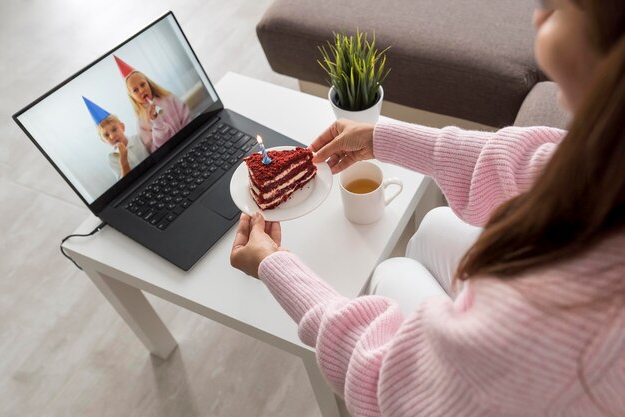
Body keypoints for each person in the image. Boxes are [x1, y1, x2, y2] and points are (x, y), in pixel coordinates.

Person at [231, 1, 625, 416]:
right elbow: (535, 163)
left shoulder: (551, 336)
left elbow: (389, 383)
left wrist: (276, 268)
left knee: (390, 271)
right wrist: (380, 139)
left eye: (557, 4)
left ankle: (438, 321)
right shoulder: (609, 157)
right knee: (435, 223)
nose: (537, 15)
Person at [114, 55, 190, 153]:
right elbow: (155, 150)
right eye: (135, 90)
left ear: (148, 83)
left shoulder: (169, 98)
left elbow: (187, 117)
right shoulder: (141, 123)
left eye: (142, 84)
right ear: (132, 96)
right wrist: (157, 123)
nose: (141, 90)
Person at [82, 96, 149, 180]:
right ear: (104, 141)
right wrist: (123, 160)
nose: (112, 136)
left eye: (114, 129)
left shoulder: (139, 138)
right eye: (106, 135)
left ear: (122, 127)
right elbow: (126, 183)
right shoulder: (112, 158)